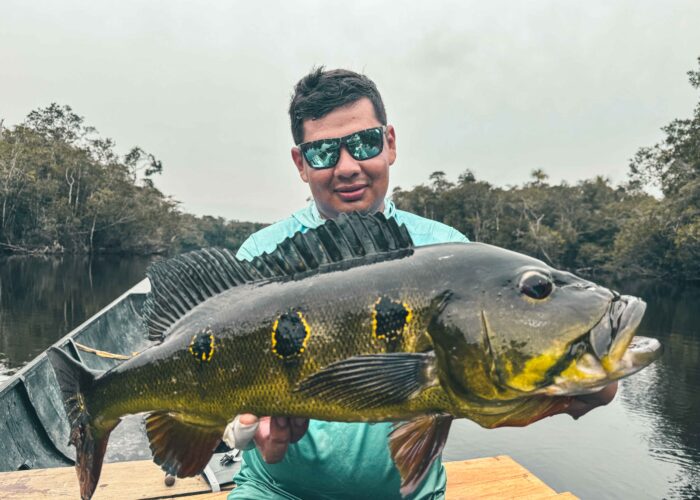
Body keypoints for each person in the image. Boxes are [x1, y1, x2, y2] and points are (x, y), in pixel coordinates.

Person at [226, 67, 617, 500]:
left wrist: (589, 367)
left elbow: (524, 382)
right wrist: (246, 430)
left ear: (389, 143)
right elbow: (226, 401)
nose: (348, 167)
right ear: (301, 164)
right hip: (277, 490)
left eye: (363, 143)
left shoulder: (452, 255)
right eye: (322, 153)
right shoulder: (260, 261)